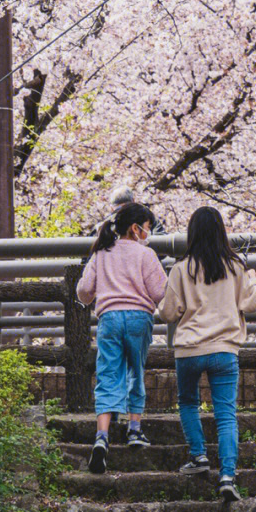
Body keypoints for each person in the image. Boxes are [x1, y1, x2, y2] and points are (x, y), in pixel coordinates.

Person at [158, 206, 256, 504]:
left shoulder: (181, 268)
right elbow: (253, 303)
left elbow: (168, 312)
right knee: (225, 415)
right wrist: (255, 279)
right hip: (224, 350)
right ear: (221, 231)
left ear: (192, 234)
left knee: (189, 403)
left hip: (189, 350)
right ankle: (228, 476)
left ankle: (199, 455)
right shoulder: (235, 266)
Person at [76, 200, 167, 474]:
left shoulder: (101, 253)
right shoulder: (146, 254)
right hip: (139, 318)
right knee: (135, 372)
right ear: (136, 228)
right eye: (147, 228)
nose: (148, 235)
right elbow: (160, 292)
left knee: (107, 374)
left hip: (110, 318)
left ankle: (102, 437)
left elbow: (83, 291)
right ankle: (134, 429)